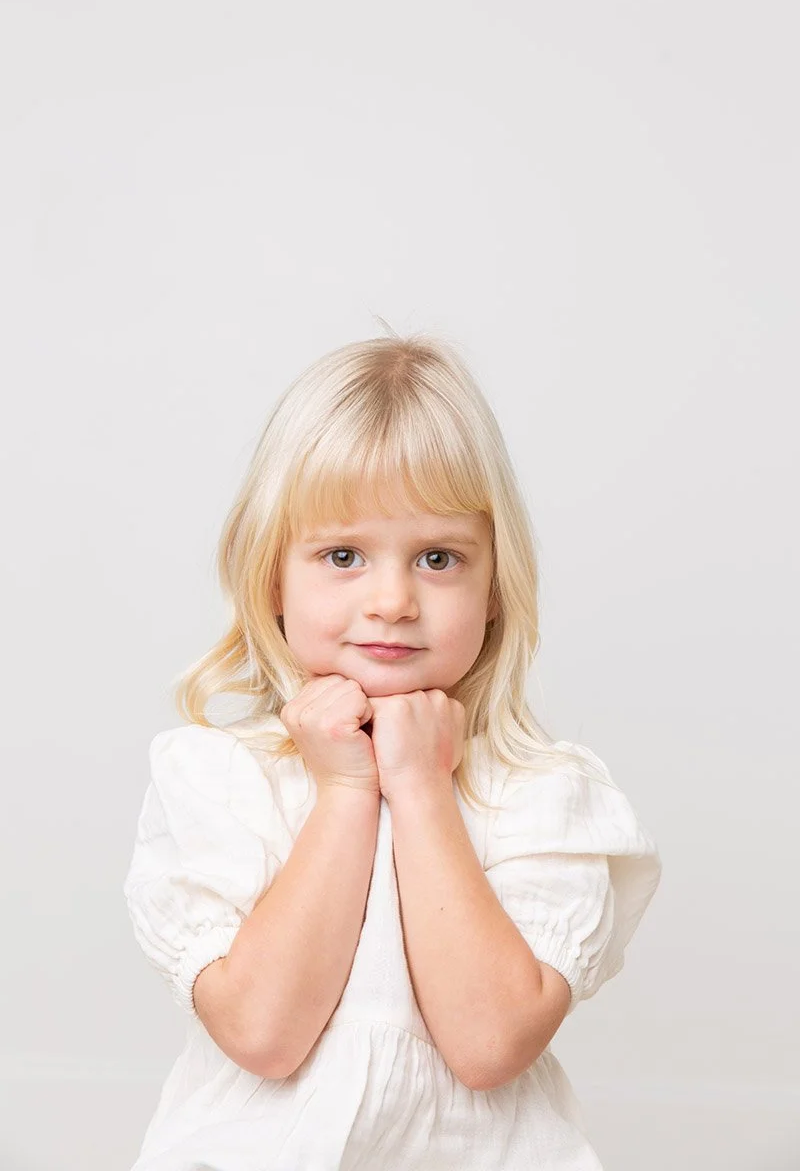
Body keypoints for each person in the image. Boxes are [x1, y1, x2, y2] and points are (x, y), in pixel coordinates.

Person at [123, 327, 662, 1170]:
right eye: (343, 555)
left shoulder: (541, 795)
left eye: (438, 558)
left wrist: (421, 788)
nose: (391, 599)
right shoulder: (219, 780)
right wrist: (344, 792)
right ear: (273, 578)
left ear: (494, 590)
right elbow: (263, 1033)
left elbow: (488, 1046)